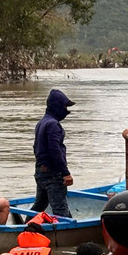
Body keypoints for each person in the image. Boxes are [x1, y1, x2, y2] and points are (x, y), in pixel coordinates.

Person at [33, 89, 76, 218]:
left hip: (41, 171)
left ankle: (26, 225)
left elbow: (36, 148)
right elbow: (55, 150)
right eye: (64, 107)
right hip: (53, 173)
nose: (66, 110)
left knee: (39, 206)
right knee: (60, 210)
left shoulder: (41, 123)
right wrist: (65, 172)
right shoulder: (53, 124)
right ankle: (68, 230)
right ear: (57, 106)